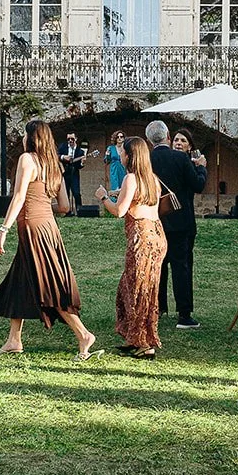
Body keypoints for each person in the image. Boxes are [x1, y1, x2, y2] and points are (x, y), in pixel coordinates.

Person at [0, 119, 97, 360]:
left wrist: (3, 229)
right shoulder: (54, 165)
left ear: (32, 138)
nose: (22, 138)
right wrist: (42, 203)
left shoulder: (27, 159)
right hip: (48, 226)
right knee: (20, 280)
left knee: (48, 283)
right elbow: (63, 206)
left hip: (32, 226)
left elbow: (19, 197)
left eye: (24, 134)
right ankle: (14, 339)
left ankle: (83, 334)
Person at [95, 136, 166, 358]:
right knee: (141, 287)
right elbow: (140, 200)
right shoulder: (152, 179)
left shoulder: (131, 178)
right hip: (157, 234)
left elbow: (119, 212)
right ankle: (135, 336)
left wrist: (104, 197)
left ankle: (145, 343)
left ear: (130, 155)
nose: (121, 156)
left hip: (141, 237)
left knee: (137, 289)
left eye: (123, 153)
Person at [149, 119, 207, 330]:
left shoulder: (147, 159)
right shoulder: (181, 159)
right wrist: (201, 168)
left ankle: (157, 307)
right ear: (168, 137)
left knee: (158, 266)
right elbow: (198, 185)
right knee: (181, 267)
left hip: (155, 220)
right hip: (181, 221)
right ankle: (184, 314)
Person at [58, 131, 87, 215]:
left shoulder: (80, 151)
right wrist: (63, 157)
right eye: (68, 139)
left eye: (72, 139)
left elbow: (79, 166)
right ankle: (67, 212)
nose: (70, 141)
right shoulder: (62, 147)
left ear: (76, 139)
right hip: (64, 172)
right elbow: (56, 155)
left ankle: (80, 211)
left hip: (74, 172)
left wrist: (82, 163)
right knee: (66, 192)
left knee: (76, 192)